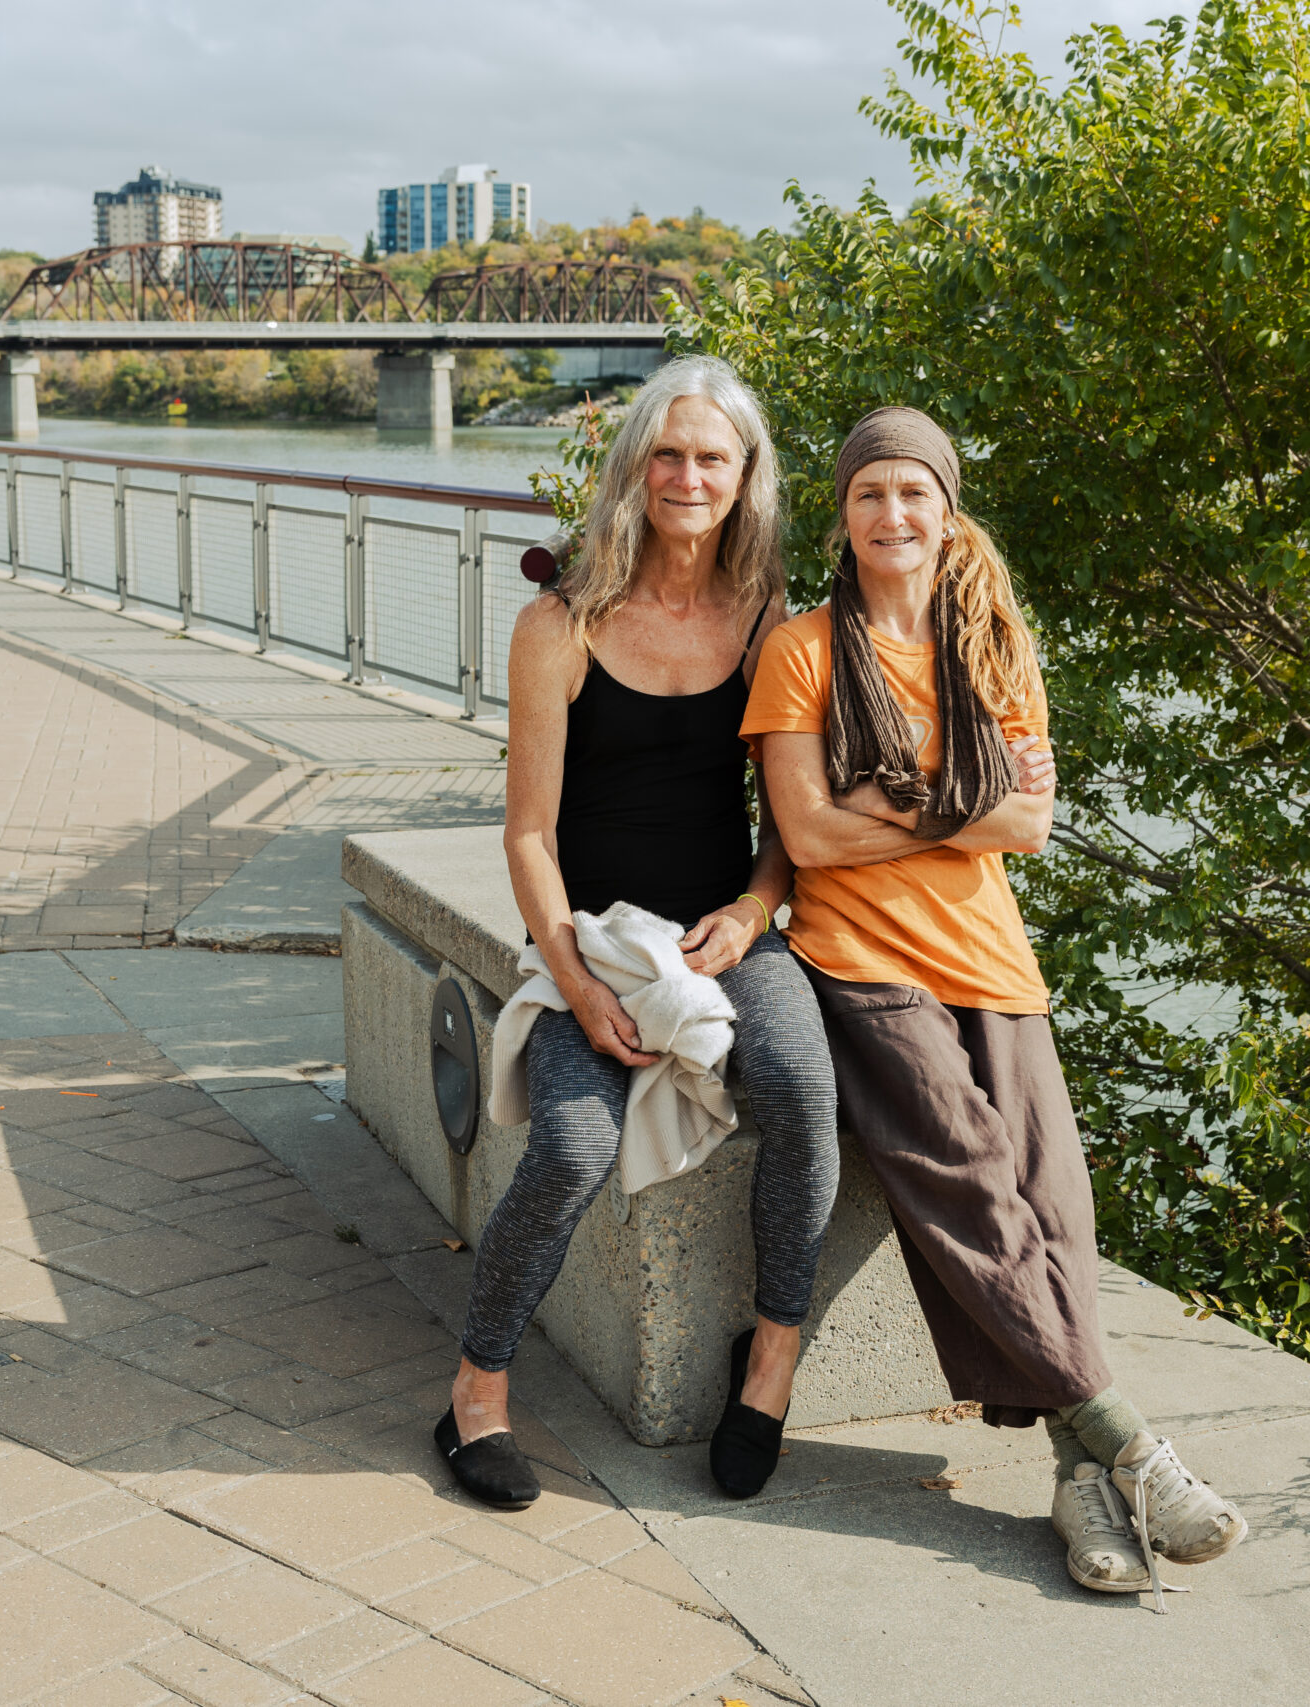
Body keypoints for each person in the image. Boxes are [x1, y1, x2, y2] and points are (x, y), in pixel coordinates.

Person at [743, 406, 1246, 1599]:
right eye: (870, 495)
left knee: (1053, 1214)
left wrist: (894, 791)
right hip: (862, 963)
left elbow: (1029, 823)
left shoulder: (992, 647)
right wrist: (951, 796)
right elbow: (806, 834)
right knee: (968, 1182)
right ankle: (1132, 1442)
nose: (892, 515)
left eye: (914, 493)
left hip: (994, 963)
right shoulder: (802, 651)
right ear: (841, 516)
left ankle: (1081, 1489)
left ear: (946, 511)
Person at [439, 356, 837, 1509]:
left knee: (806, 1094)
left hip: (724, 935)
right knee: (569, 1146)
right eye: (666, 453)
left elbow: (783, 825)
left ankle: (767, 1364)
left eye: (712, 456)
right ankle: (476, 1390)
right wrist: (572, 973)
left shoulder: (769, 623)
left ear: (744, 477)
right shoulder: (560, 623)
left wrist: (756, 909)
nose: (687, 475)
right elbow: (526, 834)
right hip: (596, 945)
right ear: (633, 469)